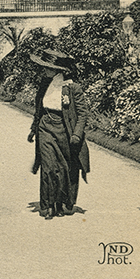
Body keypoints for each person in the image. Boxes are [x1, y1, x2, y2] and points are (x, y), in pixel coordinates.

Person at [27, 48, 90, 219]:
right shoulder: (44, 84)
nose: (44, 70)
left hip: (64, 130)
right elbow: (38, 110)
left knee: (63, 168)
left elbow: (83, 113)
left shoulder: (72, 88)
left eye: (47, 67)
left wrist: (77, 134)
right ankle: (47, 206)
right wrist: (34, 129)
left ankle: (60, 204)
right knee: (48, 167)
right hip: (45, 127)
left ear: (58, 70)